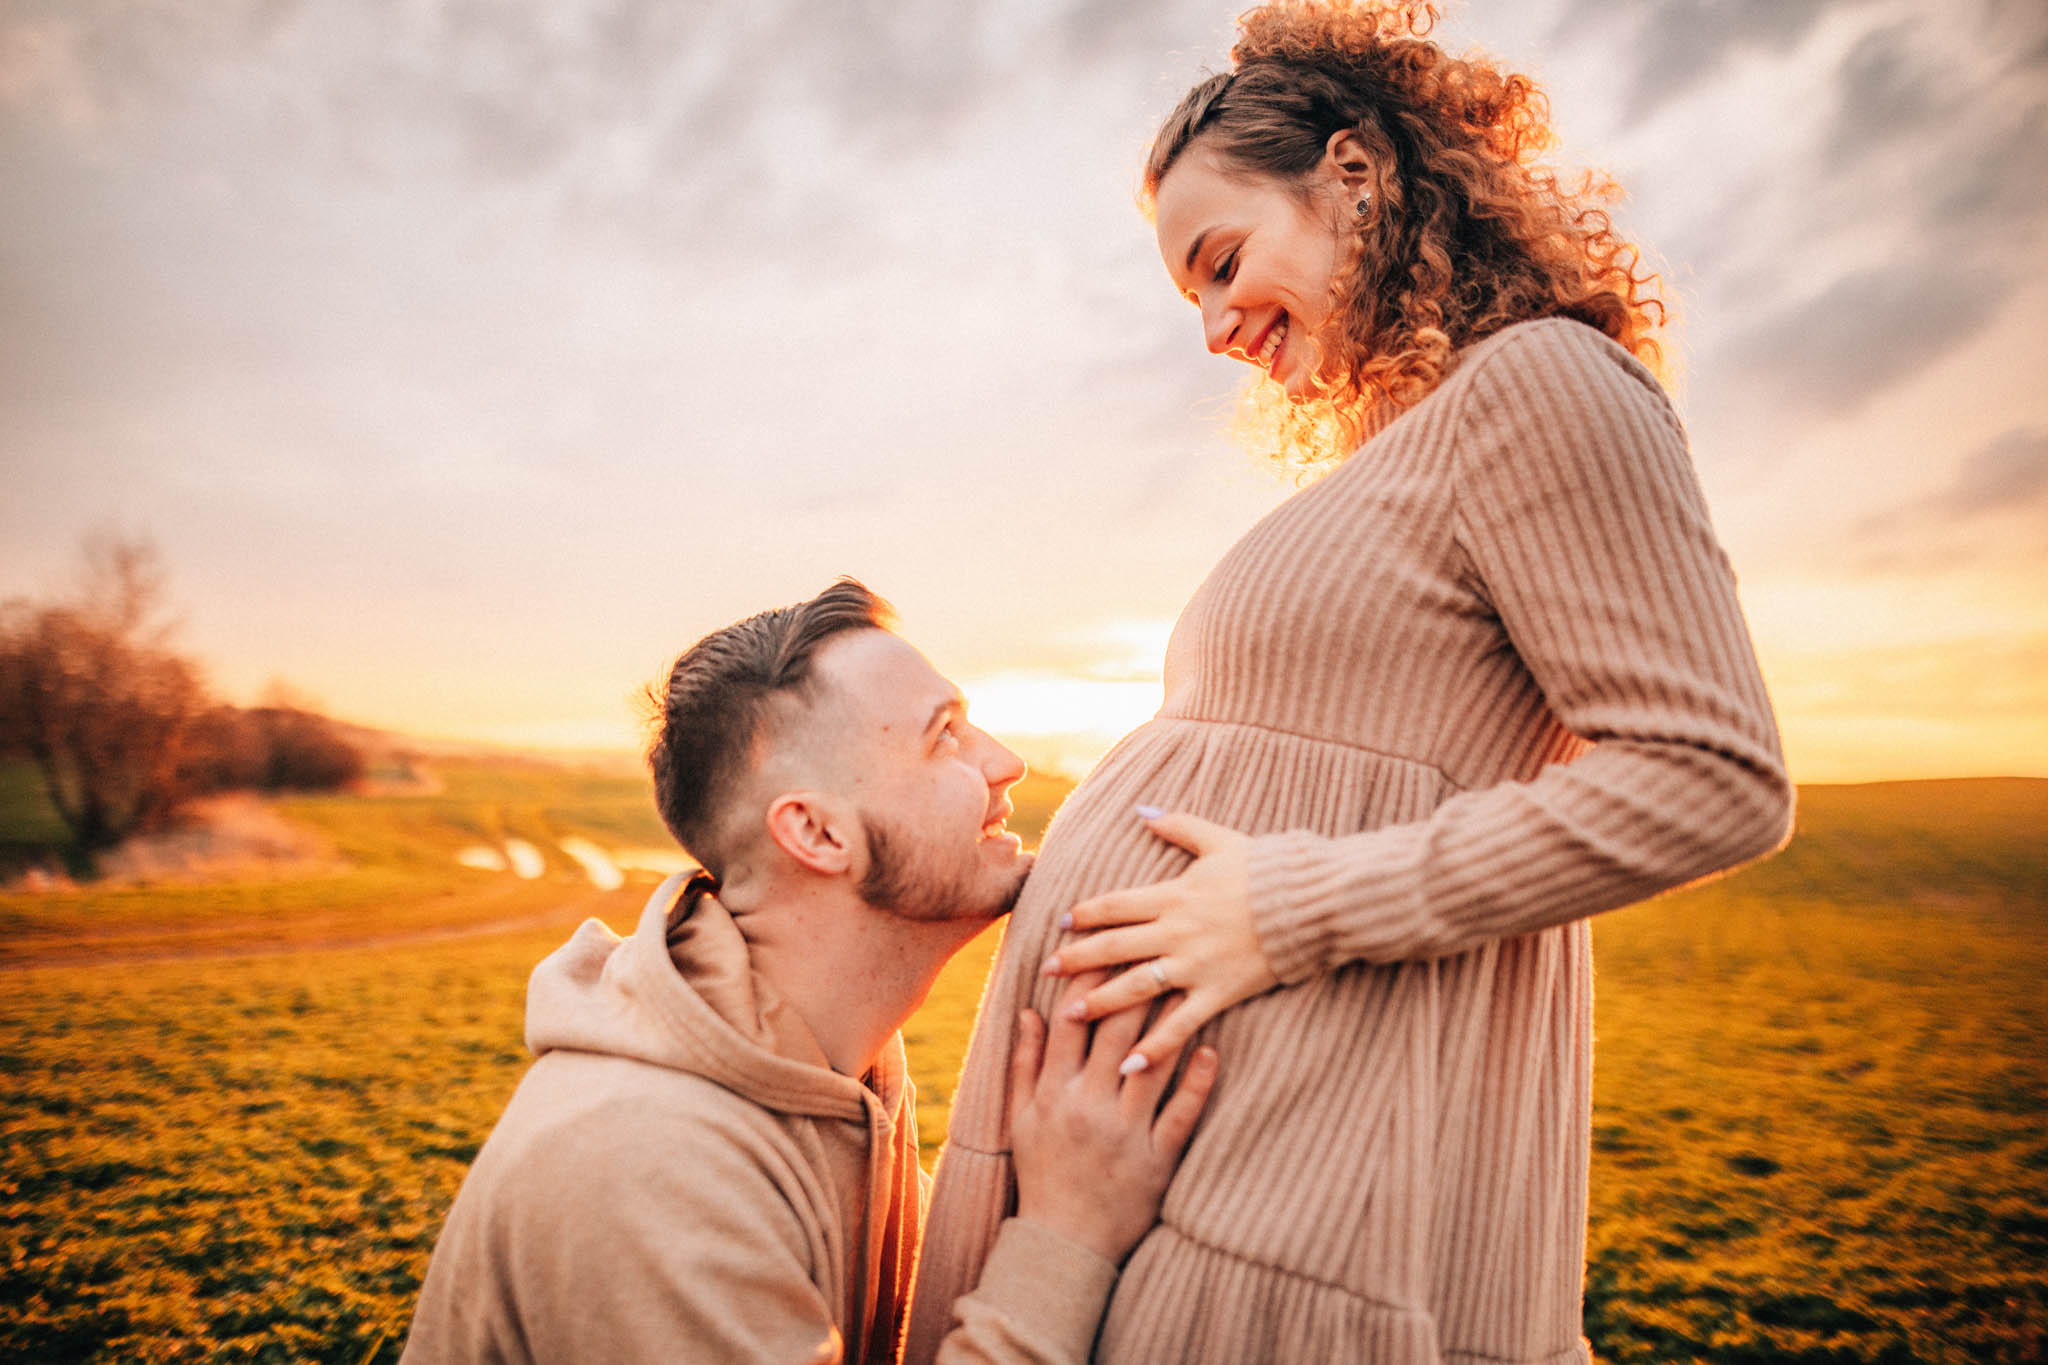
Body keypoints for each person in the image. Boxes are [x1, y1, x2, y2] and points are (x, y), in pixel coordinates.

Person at [904, 4, 1793, 1362]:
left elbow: (1713, 777)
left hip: (1305, 1172)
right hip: (1205, 1146)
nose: (1210, 326)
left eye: (1222, 260)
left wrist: (1289, 905)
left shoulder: (1542, 382)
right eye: (1188, 294)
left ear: (1356, 178)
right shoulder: (1404, 448)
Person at [399, 579, 1217, 1365]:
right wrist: (1067, 1235)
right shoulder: (654, 1164)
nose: (1005, 763)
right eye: (945, 736)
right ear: (819, 835)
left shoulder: (838, 1064)